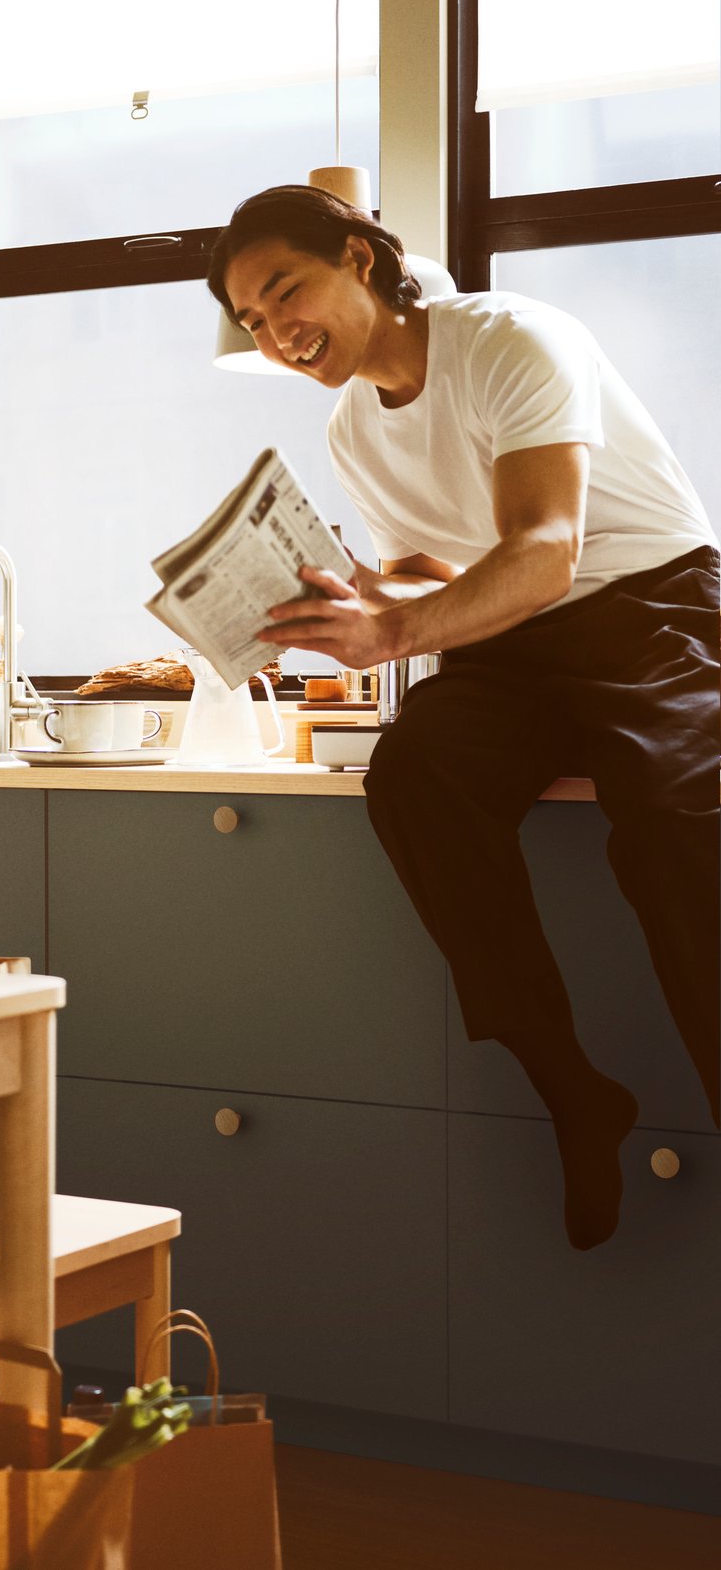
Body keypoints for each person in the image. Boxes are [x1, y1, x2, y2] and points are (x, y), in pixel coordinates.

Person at [207, 184, 719, 1250]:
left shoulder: (511, 338)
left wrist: (392, 632)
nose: (274, 331)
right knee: (412, 776)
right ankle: (572, 1089)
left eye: (284, 291)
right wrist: (353, 594)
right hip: (514, 646)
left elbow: (545, 550)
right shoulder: (353, 428)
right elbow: (434, 574)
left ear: (358, 258)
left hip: (653, 612)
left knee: (672, 821)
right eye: (251, 319)